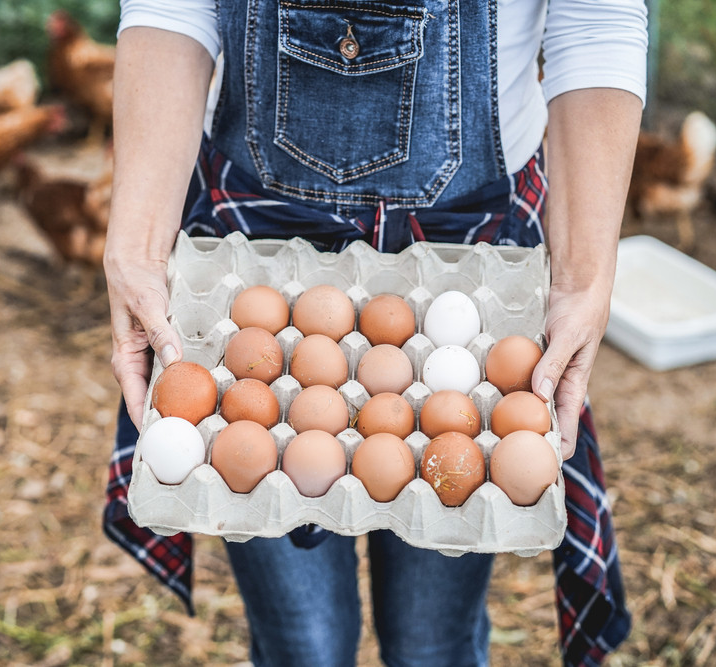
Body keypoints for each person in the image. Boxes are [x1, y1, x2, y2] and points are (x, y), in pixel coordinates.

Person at [102, 1, 647, 665]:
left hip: (467, 255)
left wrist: (585, 276)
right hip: (257, 253)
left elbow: (597, 20)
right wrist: (134, 243)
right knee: (304, 646)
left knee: (431, 644)